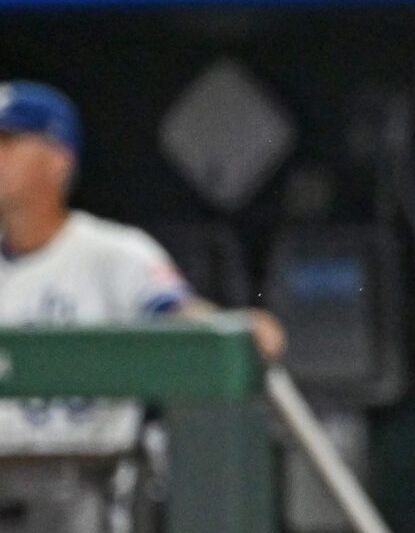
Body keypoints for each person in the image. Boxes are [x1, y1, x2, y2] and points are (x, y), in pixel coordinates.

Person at [0, 83, 282, 449]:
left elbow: (180, 319)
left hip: (88, 486)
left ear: (58, 161)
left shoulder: (115, 254)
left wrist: (235, 330)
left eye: (7, 142)